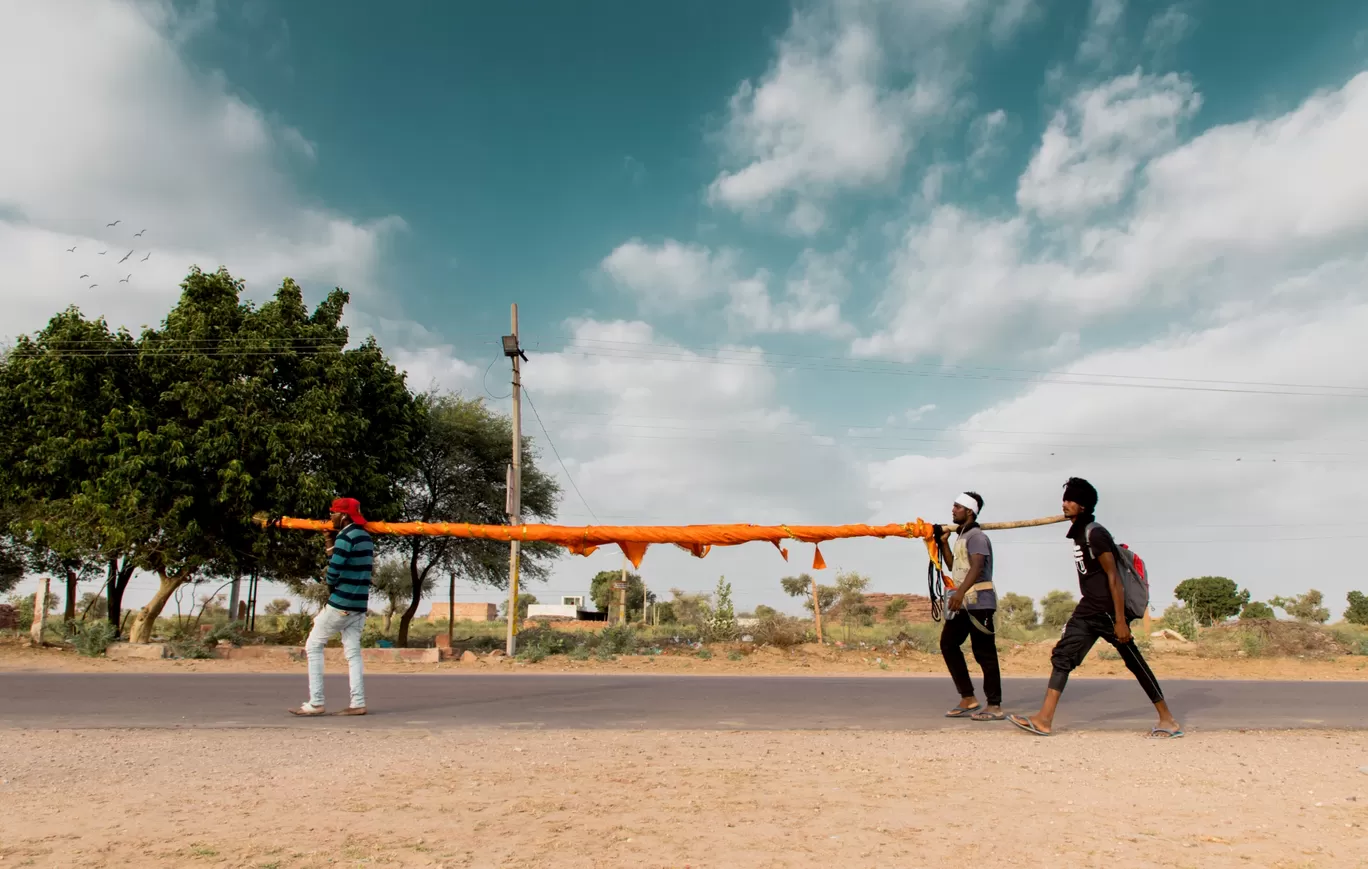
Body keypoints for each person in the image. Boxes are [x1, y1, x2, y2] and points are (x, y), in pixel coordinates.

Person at [1008, 478, 1183, 738]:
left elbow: (1114, 578)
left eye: (1071, 500)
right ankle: (1044, 720)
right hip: (1087, 609)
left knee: (1134, 662)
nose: (1065, 504)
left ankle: (1167, 719)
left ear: (1084, 506)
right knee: (1063, 657)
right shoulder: (1079, 532)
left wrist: (1120, 621)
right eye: (1065, 499)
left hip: (1107, 611)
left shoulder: (1095, 533)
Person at [291, 497, 374, 717]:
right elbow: (343, 561)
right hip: (359, 604)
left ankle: (316, 702)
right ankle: (358, 703)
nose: (331, 517)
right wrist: (330, 543)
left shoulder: (346, 537)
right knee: (353, 654)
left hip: (341, 603)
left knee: (313, 646)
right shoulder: (365, 536)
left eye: (333, 513)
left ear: (344, 515)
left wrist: (332, 558)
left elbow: (333, 574)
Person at [939, 492, 1003, 721]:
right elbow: (953, 567)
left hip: (980, 603)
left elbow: (977, 567)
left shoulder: (977, 537)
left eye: (957, 506)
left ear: (969, 511)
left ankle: (994, 705)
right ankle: (968, 697)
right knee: (948, 644)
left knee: (984, 653)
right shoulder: (961, 537)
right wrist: (944, 544)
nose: (953, 510)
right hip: (963, 603)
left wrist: (960, 592)